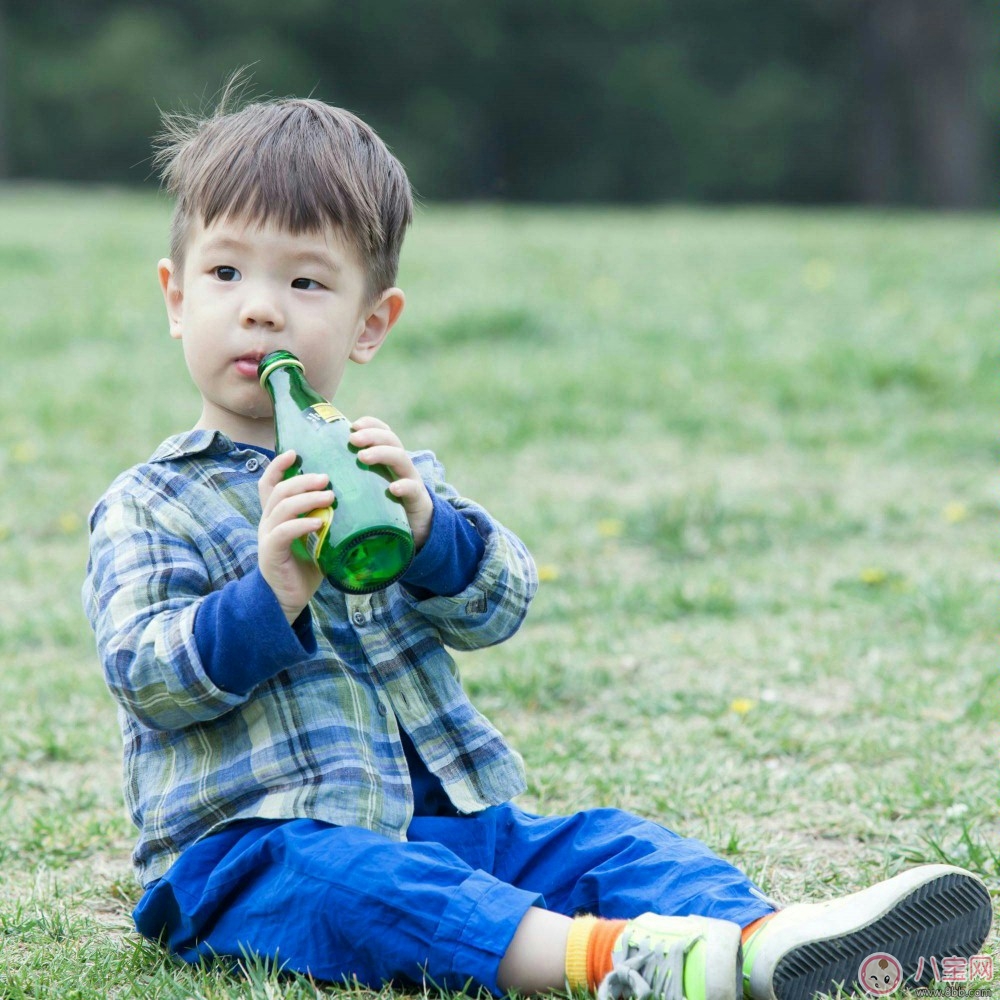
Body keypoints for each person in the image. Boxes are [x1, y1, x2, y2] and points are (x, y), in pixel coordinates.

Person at [82, 84, 993, 1000]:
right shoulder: (149, 504)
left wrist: (433, 534)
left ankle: (768, 941)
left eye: (306, 282)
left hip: (437, 821)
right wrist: (265, 593)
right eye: (227, 275)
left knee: (608, 841)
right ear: (175, 297)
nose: (262, 311)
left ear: (370, 325)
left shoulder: (386, 474)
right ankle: (615, 963)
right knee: (363, 887)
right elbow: (144, 675)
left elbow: (504, 603)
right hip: (250, 854)